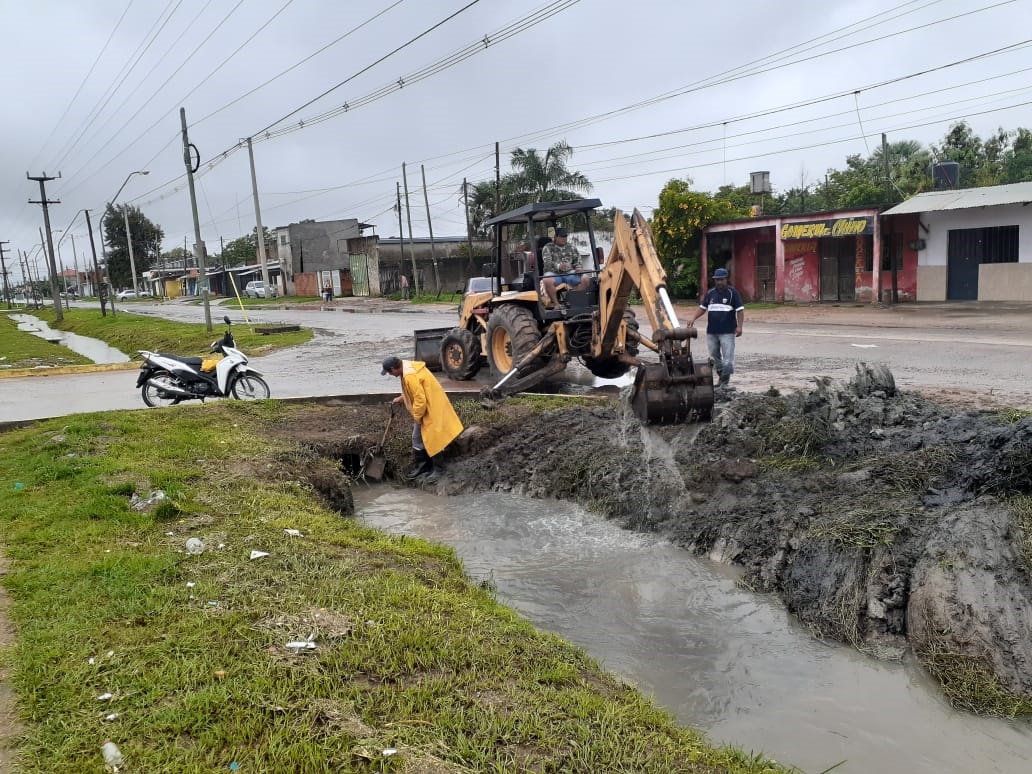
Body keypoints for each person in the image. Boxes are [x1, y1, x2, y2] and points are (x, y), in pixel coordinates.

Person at [381, 355, 463, 481]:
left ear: (394, 368)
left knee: (433, 438)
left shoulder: (410, 376)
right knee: (418, 438)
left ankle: (438, 470)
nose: (390, 375)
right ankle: (424, 467)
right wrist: (401, 398)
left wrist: (417, 418)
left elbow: (420, 400)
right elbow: (413, 390)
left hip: (431, 408)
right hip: (431, 404)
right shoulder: (408, 367)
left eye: (389, 372)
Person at [687, 267, 744, 389]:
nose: (719, 282)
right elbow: (703, 308)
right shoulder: (710, 293)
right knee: (714, 356)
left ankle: (724, 383)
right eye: (717, 280)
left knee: (727, 360)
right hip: (712, 332)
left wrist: (739, 326)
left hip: (728, 332)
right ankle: (721, 378)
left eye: (721, 280)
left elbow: (740, 311)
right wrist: (693, 318)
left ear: (726, 279)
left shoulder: (733, 293)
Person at [540, 227, 584, 306]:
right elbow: (547, 263)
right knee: (547, 280)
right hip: (554, 274)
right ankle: (556, 304)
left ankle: (575, 302)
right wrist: (558, 266)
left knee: (585, 279)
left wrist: (578, 268)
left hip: (568, 273)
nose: (564, 238)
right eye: (562, 237)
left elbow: (577, 260)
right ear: (555, 237)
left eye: (565, 236)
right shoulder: (548, 248)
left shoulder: (571, 247)